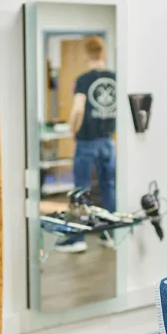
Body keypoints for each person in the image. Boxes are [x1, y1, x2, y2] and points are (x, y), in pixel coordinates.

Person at [55, 36, 117, 253]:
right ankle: (110, 234)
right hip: (108, 141)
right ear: (103, 53)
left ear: (85, 55)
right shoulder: (115, 78)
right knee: (109, 188)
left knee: (80, 190)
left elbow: (78, 109)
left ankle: (76, 238)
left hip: (87, 141)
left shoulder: (84, 79)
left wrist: (72, 130)